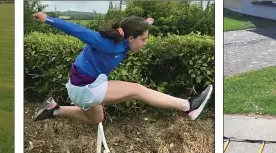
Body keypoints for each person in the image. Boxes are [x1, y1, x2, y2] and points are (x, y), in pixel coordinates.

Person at [30, 12, 213, 124]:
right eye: (143, 40)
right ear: (131, 38)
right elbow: (78, 30)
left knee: (96, 119)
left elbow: (138, 28)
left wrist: (147, 23)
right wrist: (48, 20)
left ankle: (53, 110)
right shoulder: (106, 43)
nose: (145, 44)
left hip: (82, 87)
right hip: (85, 88)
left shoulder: (126, 39)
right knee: (138, 90)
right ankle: (188, 106)